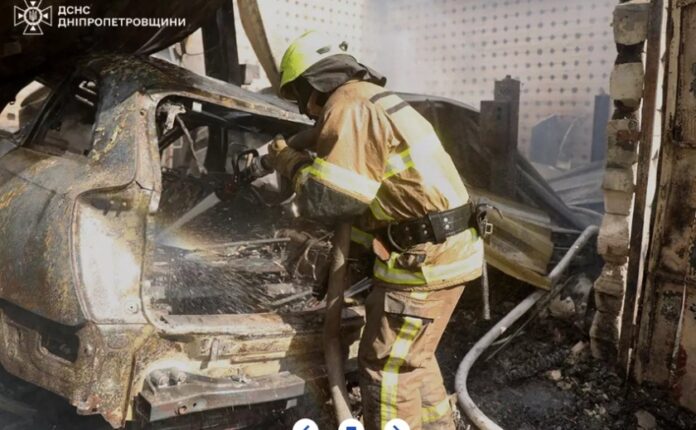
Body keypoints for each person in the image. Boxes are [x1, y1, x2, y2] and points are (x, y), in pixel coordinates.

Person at [263, 31, 484, 430]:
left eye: (297, 95)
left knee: (386, 367)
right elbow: (378, 200)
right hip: (445, 251)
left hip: (423, 264)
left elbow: (330, 200)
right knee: (412, 359)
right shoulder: (369, 99)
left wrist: (287, 161)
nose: (304, 109)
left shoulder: (347, 106)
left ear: (310, 84)